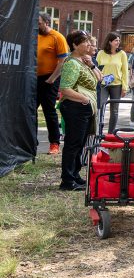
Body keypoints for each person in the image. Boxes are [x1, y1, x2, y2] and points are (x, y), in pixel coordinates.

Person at [58, 30, 100, 190]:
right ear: (75, 45)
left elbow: (99, 78)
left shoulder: (82, 61)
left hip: (83, 109)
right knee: (73, 144)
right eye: (85, 42)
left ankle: (74, 174)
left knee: (80, 143)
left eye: (89, 41)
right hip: (75, 108)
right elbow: (65, 88)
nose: (89, 44)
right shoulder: (72, 63)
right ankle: (67, 181)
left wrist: (91, 65)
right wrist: (84, 99)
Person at [37, 12, 69, 154]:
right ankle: (31, 142)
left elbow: (63, 62)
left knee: (49, 111)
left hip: (51, 78)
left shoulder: (57, 37)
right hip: (34, 79)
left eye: (38, 23)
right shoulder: (34, 35)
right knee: (30, 111)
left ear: (47, 22)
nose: (36, 25)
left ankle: (54, 143)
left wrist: (52, 79)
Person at [96, 32, 129, 135]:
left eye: (119, 40)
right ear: (110, 41)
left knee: (114, 110)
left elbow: (125, 71)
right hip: (103, 84)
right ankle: (99, 131)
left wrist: (125, 87)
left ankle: (111, 133)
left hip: (117, 85)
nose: (118, 42)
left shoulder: (122, 54)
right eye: (116, 40)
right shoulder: (101, 53)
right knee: (101, 106)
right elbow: (96, 68)